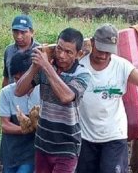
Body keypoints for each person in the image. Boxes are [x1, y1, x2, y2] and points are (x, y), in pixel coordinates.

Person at [76, 24, 138, 173]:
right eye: (100, 50)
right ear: (92, 42)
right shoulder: (81, 67)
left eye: (108, 52)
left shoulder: (121, 65)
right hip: (86, 137)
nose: (103, 56)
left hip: (114, 136)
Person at [15, 28, 91, 173]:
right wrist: (34, 67)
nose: (61, 55)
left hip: (67, 146)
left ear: (78, 54)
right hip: (43, 144)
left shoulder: (82, 73)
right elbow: (19, 91)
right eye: (59, 49)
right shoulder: (45, 68)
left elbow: (66, 96)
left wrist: (46, 66)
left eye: (68, 52)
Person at [0, 51, 40, 173]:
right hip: (11, 151)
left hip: (32, 152)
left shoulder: (43, 91)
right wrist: (27, 129)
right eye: (16, 79)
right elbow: (5, 125)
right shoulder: (6, 93)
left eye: (23, 79)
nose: (19, 83)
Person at [2, 15, 39, 87]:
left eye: (23, 32)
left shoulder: (40, 51)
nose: (19, 36)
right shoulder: (9, 50)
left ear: (32, 32)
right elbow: (6, 77)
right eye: (15, 32)